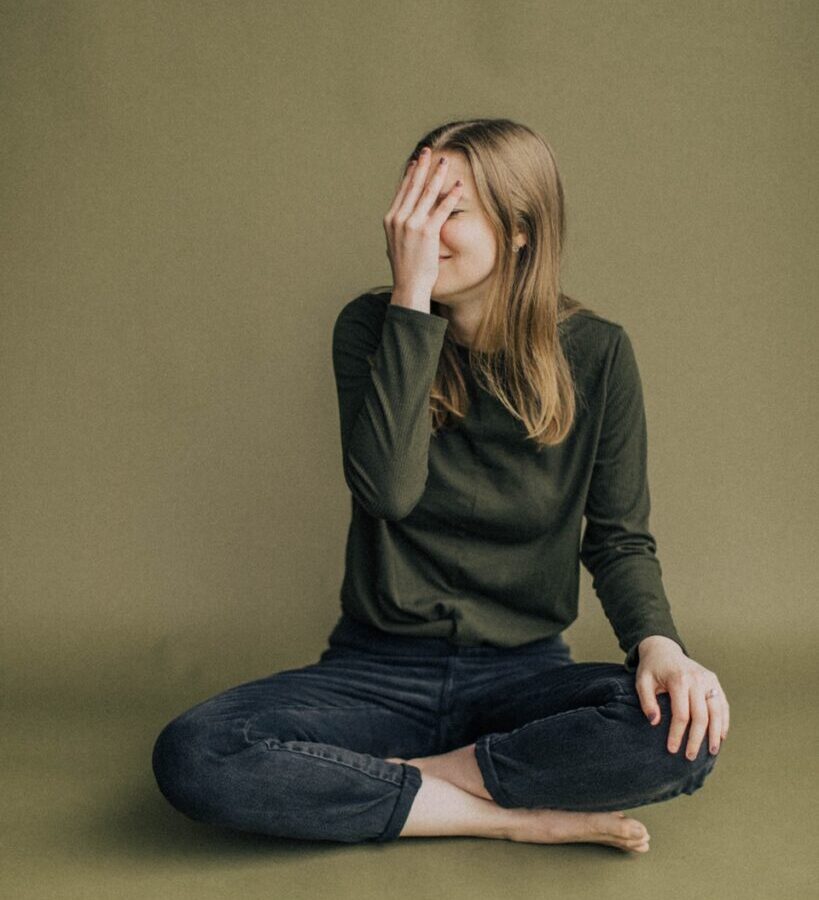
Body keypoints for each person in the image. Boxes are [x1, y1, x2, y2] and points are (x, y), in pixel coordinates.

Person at [151, 118, 729, 852]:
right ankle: (501, 817)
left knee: (682, 732)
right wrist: (410, 297)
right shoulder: (373, 327)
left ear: (520, 228)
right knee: (196, 755)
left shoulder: (597, 352)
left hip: (524, 675)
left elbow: (618, 539)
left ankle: (407, 783)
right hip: (376, 671)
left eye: (446, 209)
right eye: (410, 205)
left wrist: (660, 646)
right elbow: (387, 491)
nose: (417, 230)